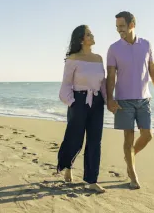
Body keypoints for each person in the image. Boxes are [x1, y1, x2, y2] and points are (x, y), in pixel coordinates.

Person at [106, 11, 154, 189]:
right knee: (128, 138)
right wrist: (109, 98)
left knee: (147, 135)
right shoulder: (114, 48)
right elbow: (110, 76)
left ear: (132, 25)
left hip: (143, 99)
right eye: (117, 27)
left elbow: (152, 69)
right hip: (123, 100)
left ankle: (129, 155)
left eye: (122, 26)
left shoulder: (146, 45)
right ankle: (132, 173)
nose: (119, 30)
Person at [56, 25, 107, 193]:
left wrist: (108, 100)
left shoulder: (99, 58)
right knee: (75, 138)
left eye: (91, 33)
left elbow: (103, 83)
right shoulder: (73, 58)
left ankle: (91, 180)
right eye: (88, 34)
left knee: (95, 141)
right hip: (79, 101)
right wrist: (72, 103)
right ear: (81, 39)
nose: (92, 36)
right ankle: (67, 165)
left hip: (97, 101)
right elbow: (66, 85)